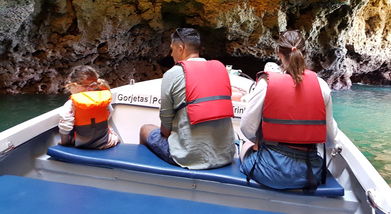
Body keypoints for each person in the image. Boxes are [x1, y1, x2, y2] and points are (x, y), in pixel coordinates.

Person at [239, 30, 338, 191]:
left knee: (245, 145)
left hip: (269, 171)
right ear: (305, 53)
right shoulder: (321, 86)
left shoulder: (266, 83)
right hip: (310, 173)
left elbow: (246, 128)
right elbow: (330, 139)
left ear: (279, 53)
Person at [140, 28, 236, 170]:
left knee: (145, 130)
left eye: (172, 49)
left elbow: (165, 131)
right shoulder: (221, 70)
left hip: (188, 157)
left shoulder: (172, 74)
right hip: (225, 155)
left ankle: (146, 177)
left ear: (181, 48)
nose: (171, 54)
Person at [58, 66, 120, 149]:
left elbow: (65, 125)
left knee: (67, 139)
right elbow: (109, 113)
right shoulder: (102, 99)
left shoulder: (71, 104)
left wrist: (64, 142)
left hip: (81, 144)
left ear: (74, 85)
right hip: (106, 143)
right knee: (116, 138)